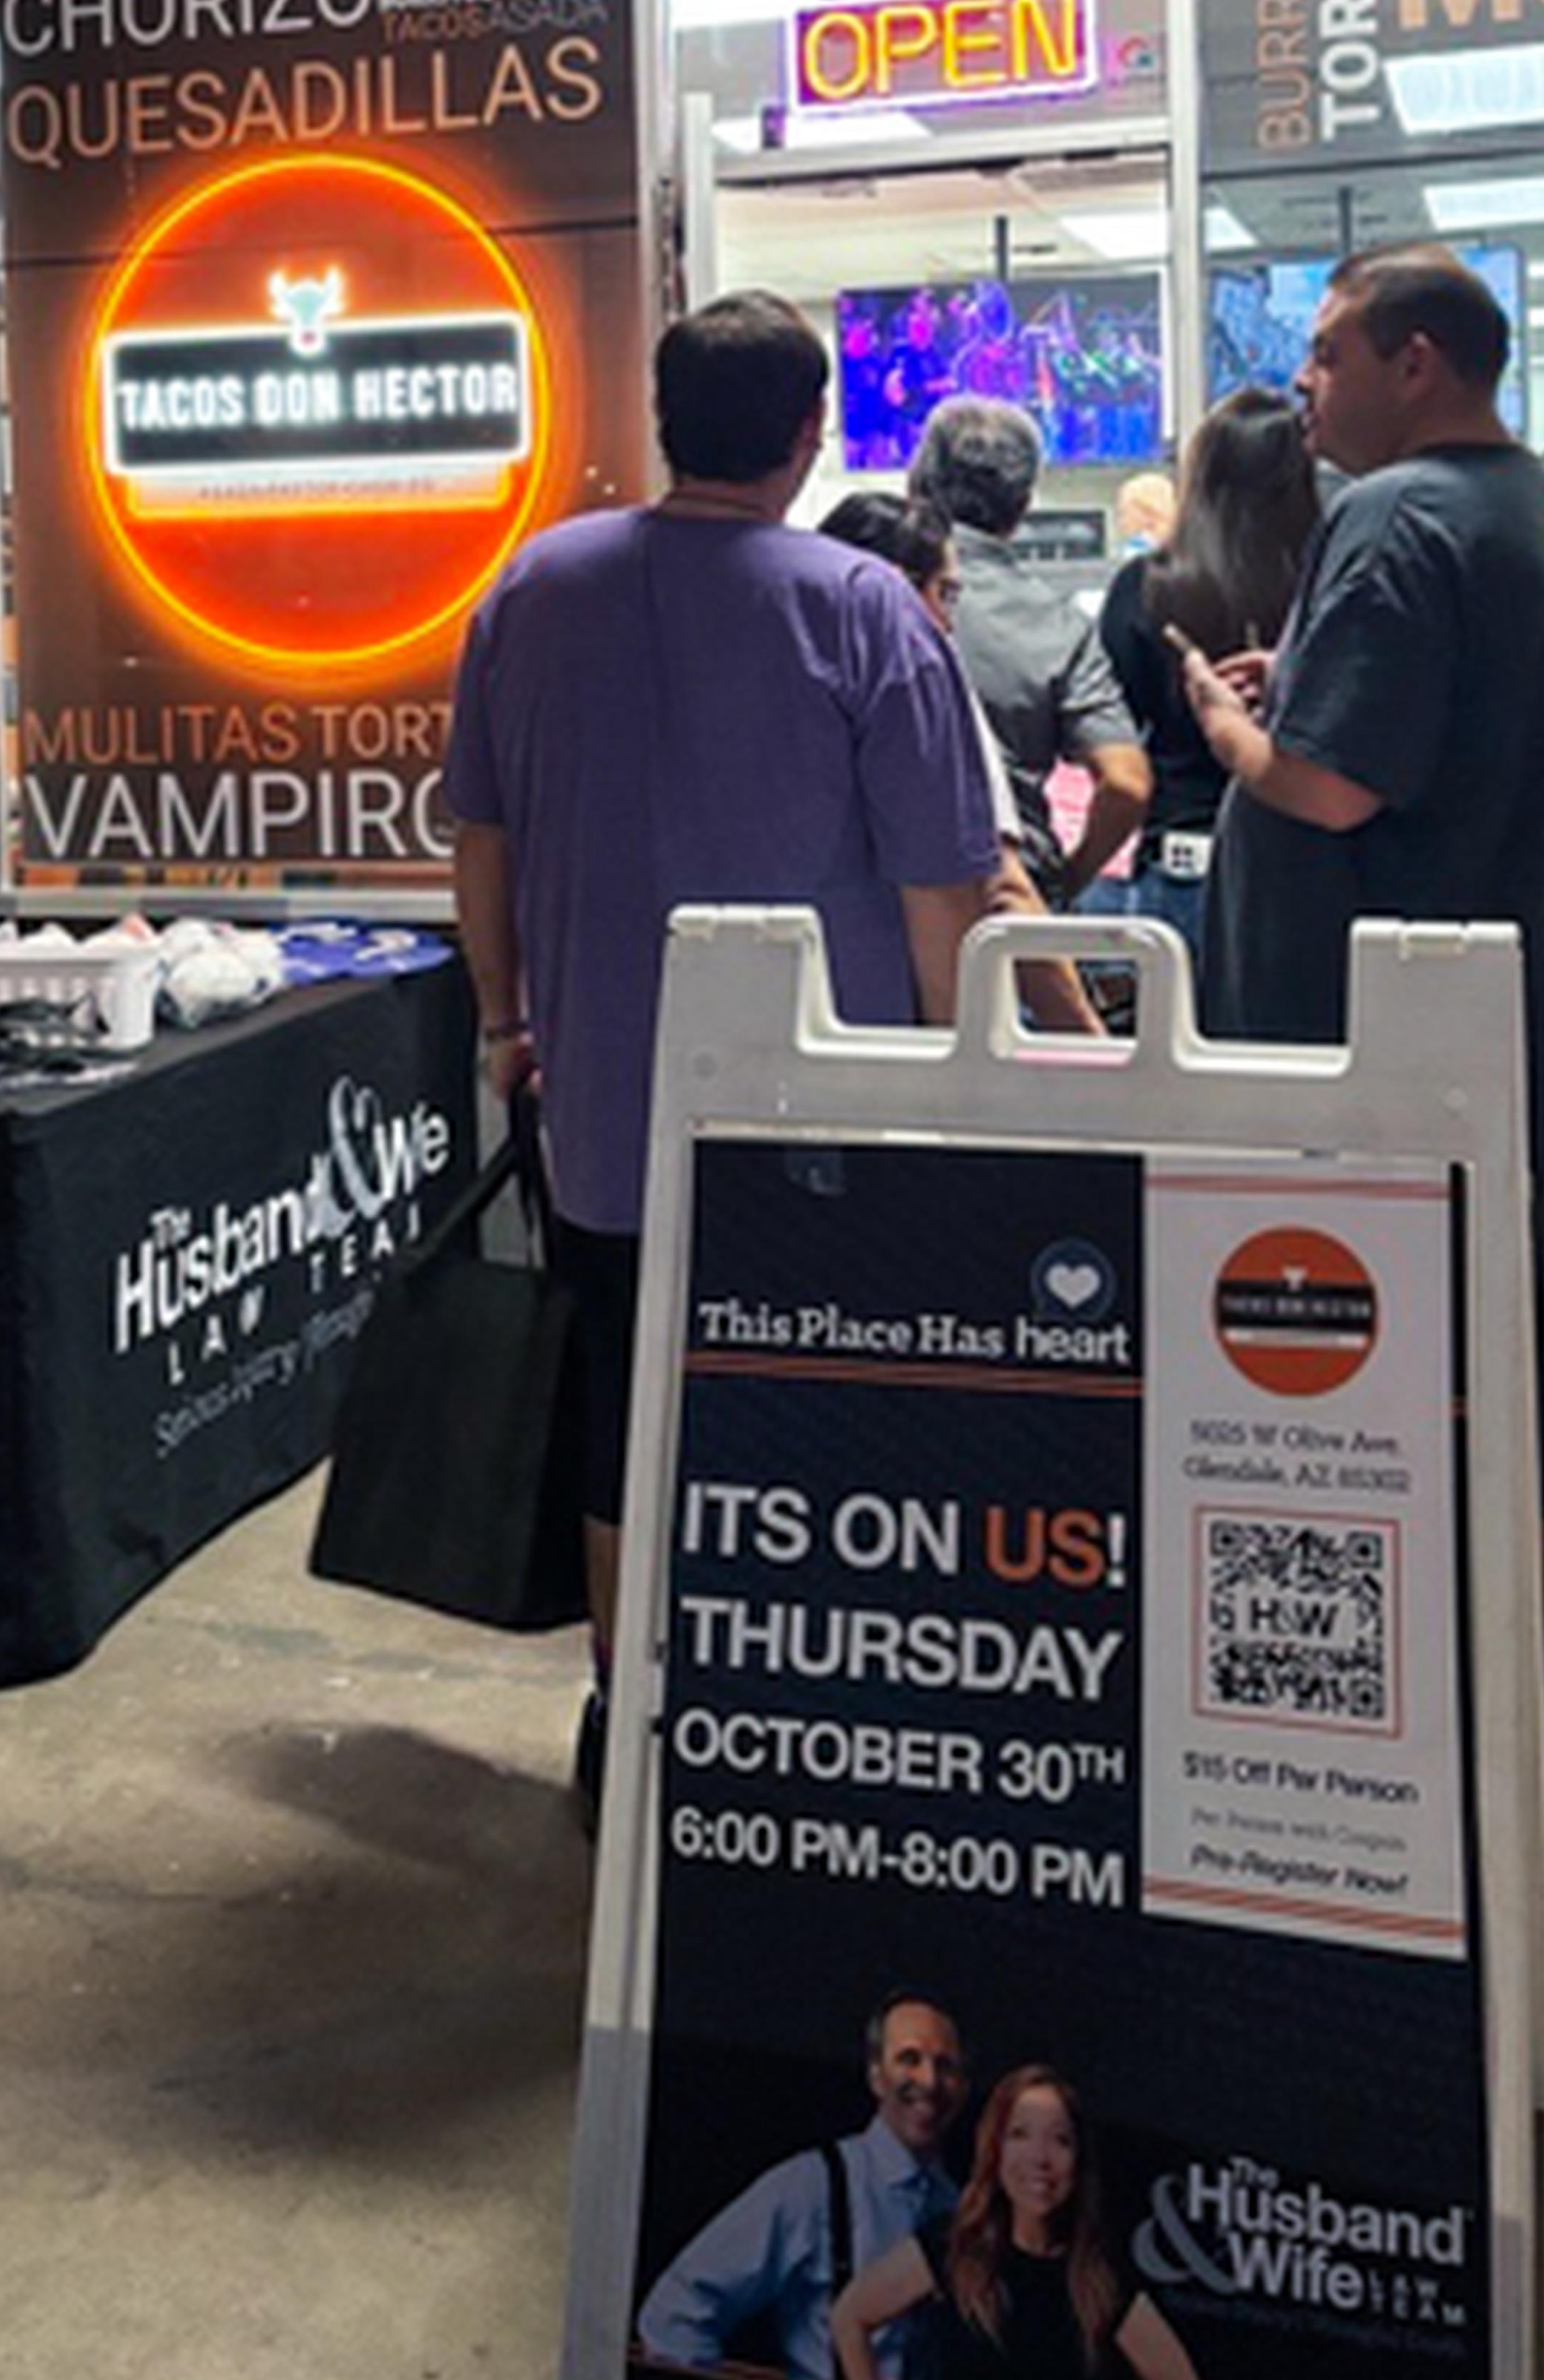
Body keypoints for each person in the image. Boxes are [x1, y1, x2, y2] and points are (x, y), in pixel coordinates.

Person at [446, 295, 997, 1755]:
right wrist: (960, 1084)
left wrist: (505, 1017)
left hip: (606, 1115)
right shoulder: (864, 606)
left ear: (661, 413)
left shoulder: (530, 589)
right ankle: (797, 1717)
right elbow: (947, 892)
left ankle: (629, 1722)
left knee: (626, 1419)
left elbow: (481, 845)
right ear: (812, 432)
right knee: (822, 1412)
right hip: (827, 1124)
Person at [1179, 249, 1544, 1838]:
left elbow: (1329, 790)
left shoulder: (1397, 516)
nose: (1304, 384)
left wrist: (1233, 723)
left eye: (1326, 354)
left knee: (1373, 1397)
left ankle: (1386, 1753)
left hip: (1390, 1075)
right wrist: (1303, 693)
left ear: (1418, 361)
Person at [817, 491, 1103, 1034]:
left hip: (789, 1015)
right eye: (946, 595)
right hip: (919, 1023)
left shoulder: (784, 676)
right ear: (898, 586)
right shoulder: (926, 682)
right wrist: (1089, 1039)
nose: (948, 626)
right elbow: (1001, 887)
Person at [832, 2061, 1203, 2380]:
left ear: (1078, 2160)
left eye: (1060, 2140)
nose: (1039, 2158)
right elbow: (850, 2316)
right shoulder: (954, 2245)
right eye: (1020, 2135)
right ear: (995, 2147)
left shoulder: (1097, 2277)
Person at [636, 1994, 969, 2380]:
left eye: (946, 2066)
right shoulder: (813, 2184)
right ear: (876, 2076)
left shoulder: (959, 2207)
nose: (930, 2082)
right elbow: (674, 2314)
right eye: (909, 2059)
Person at [1093, 387, 1320, 966]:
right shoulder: (1330, 582)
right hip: (1310, 860)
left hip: (1183, 866)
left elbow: (1115, 727)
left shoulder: (1146, 585)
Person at [907, 397, 1152, 903]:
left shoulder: (857, 592)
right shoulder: (1057, 623)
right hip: (1015, 907)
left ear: (917, 485)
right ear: (1022, 506)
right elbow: (1127, 784)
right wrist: (1066, 882)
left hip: (884, 895)